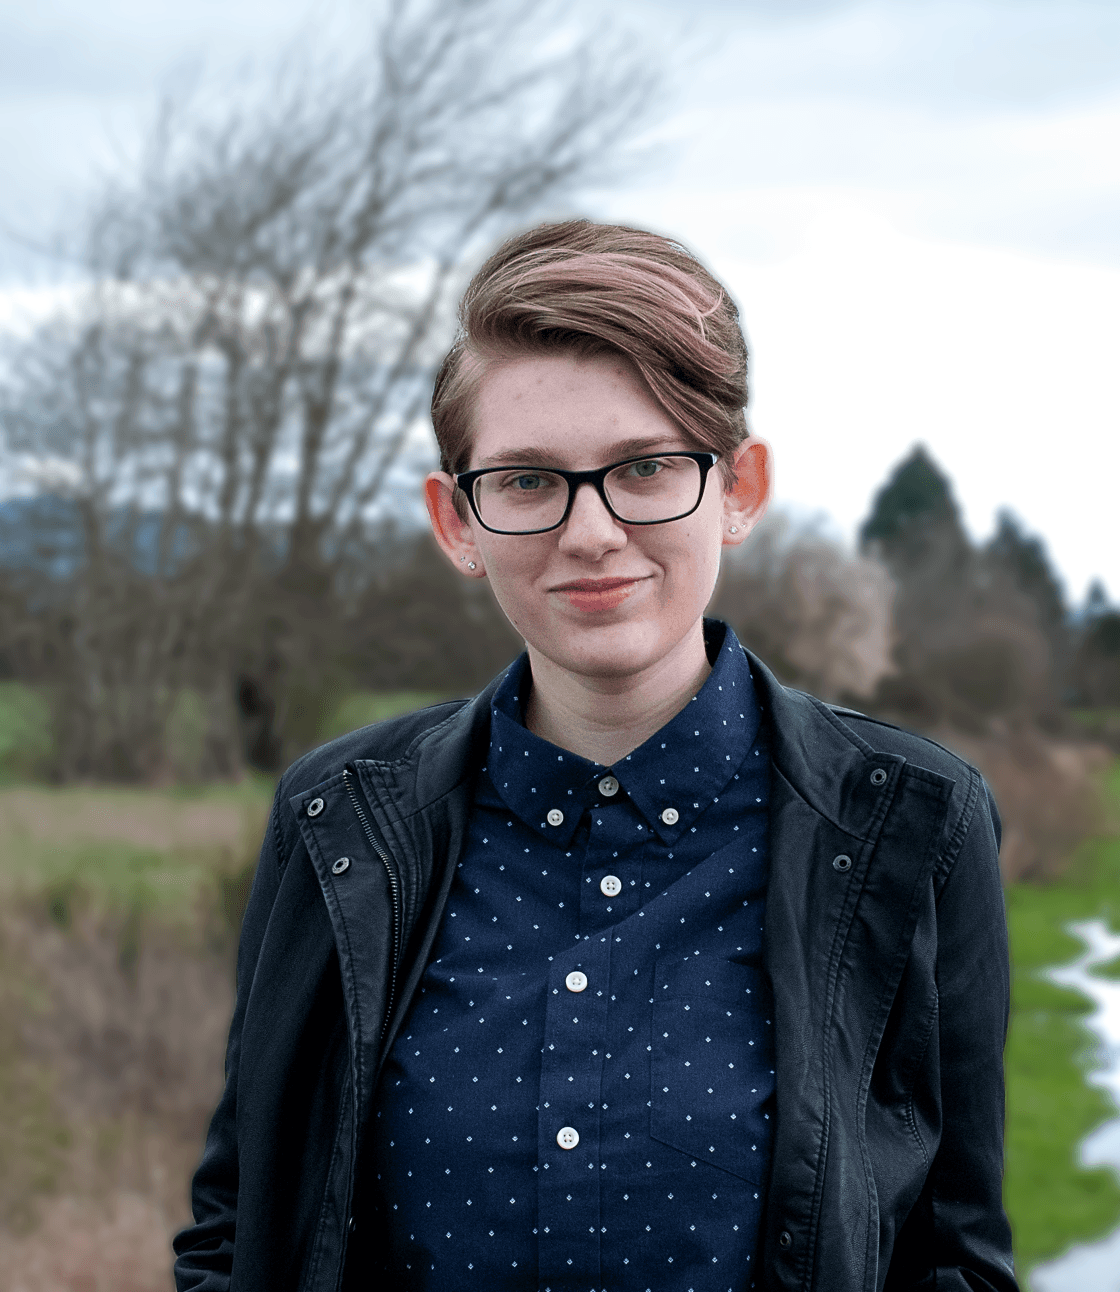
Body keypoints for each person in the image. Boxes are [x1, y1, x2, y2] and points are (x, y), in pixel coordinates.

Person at [173, 220, 1016, 1292]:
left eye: (646, 466)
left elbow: (953, 1257)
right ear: (456, 519)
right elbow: (238, 1229)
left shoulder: (911, 821)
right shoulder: (336, 820)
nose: (591, 531)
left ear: (738, 488)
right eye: (527, 480)